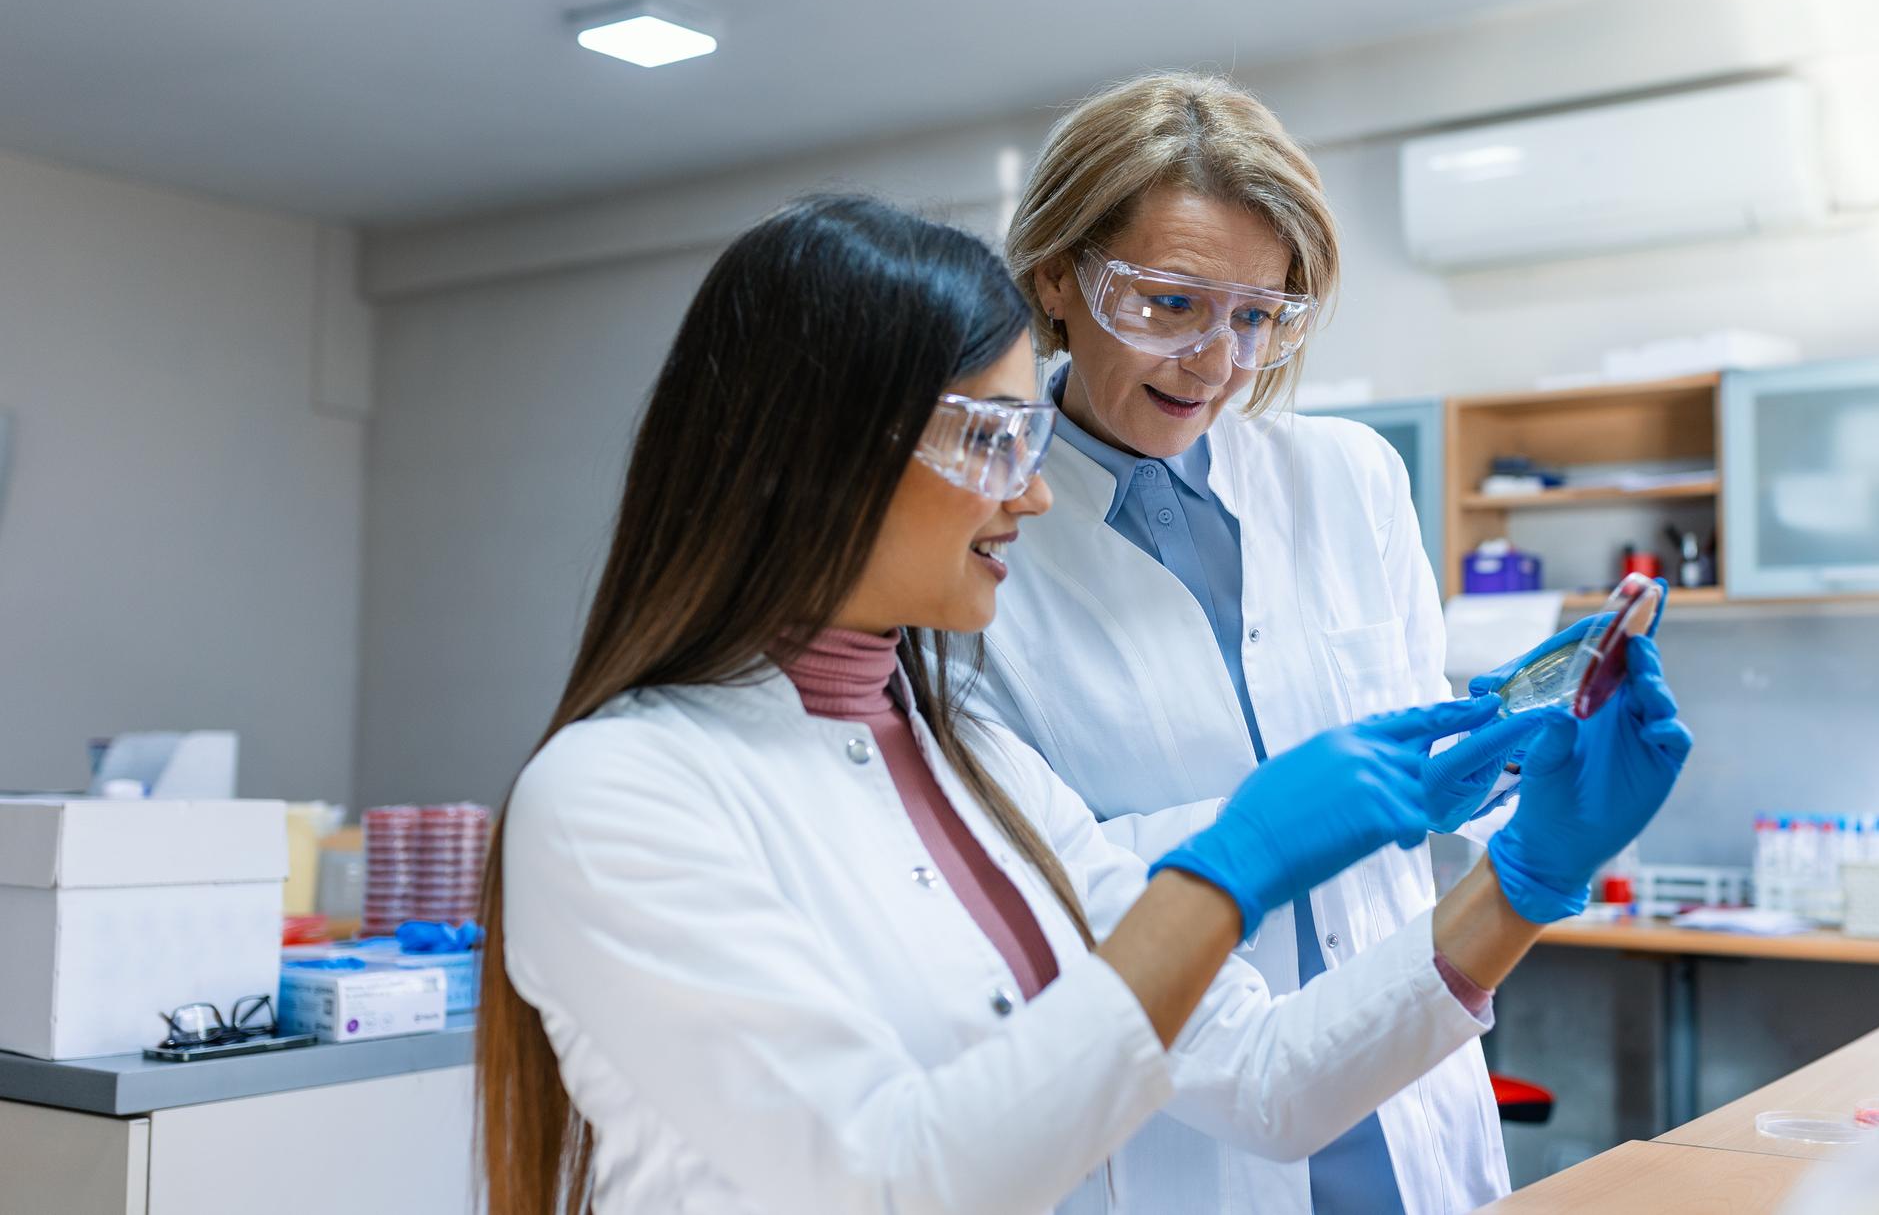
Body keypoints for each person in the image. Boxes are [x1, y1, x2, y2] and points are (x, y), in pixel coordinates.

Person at [477, 195, 1690, 1215]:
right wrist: (1230, 867)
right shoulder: (618, 794)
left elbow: (1259, 1081)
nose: (1036, 492)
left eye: (1026, 436)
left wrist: (1523, 878)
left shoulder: (967, 758)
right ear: (815, 453)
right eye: (994, 438)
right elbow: (887, 1182)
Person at [971, 70, 1656, 1212]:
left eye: (1256, 315)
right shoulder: (980, 532)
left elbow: (1407, 824)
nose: (1218, 362)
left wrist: (1497, 764)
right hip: (1171, 1139)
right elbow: (1011, 882)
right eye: (1169, 304)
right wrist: (1264, 827)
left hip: (1404, 1097)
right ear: (1056, 276)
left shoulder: (1348, 479)